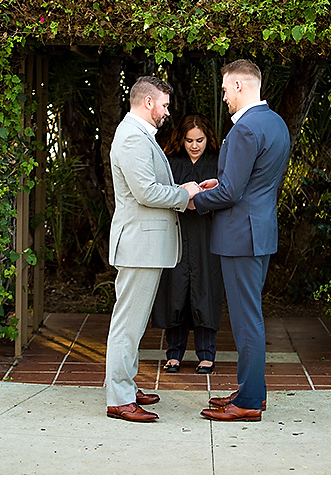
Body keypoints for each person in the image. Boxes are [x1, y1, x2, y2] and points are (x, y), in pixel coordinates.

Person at [191, 59, 290, 422]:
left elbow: (232, 192)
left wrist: (193, 200)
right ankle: (253, 391)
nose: (223, 97)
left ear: (238, 86)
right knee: (251, 316)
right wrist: (220, 186)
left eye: (224, 90)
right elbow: (255, 183)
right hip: (258, 230)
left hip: (240, 236)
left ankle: (248, 402)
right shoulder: (276, 123)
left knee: (247, 320)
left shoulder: (246, 129)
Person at [104, 76, 202, 423]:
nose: (167, 110)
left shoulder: (141, 136)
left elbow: (151, 186)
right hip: (138, 245)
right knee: (127, 324)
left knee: (135, 321)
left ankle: (126, 386)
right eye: (164, 104)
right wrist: (185, 195)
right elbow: (145, 192)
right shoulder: (132, 137)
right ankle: (119, 398)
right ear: (148, 103)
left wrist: (185, 188)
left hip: (144, 245)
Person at [151, 114, 223, 375]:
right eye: (189, 140)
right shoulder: (171, 162)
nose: (195, 145)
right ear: (181, 139)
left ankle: (206, 354)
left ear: (208, 139)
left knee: (206, 291)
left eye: (200, 140)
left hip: (207, 236)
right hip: (178, 234)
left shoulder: (217, 163)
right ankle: (174, 353)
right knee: (176, 292)